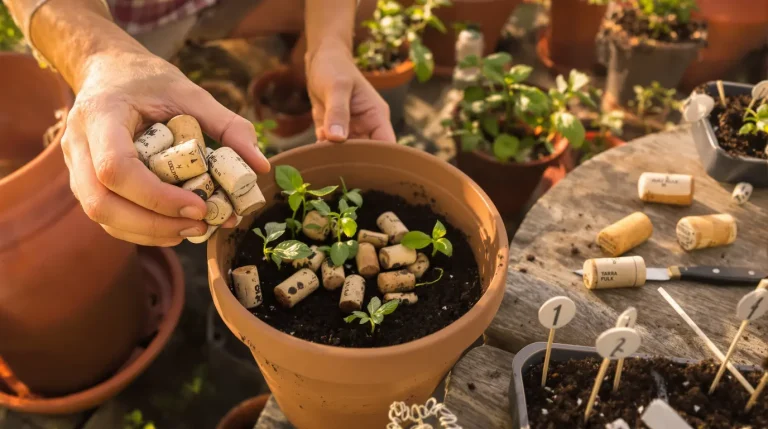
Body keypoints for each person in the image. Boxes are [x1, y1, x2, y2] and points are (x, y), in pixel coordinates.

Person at [4, 0, 395, 246]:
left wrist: (329, 46)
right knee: (102, 148)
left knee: (362, 7)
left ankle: (296, 88)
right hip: (110, 17)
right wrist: (96, 57)